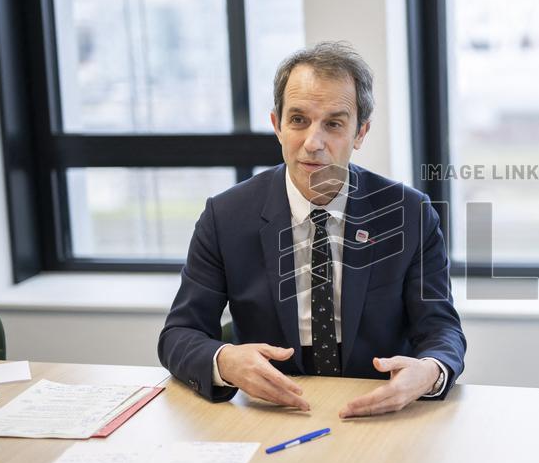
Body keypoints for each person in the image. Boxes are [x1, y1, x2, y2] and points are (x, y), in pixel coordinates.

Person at [158, 41, 466, 417]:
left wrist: (429, 372)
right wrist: (224, 361)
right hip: (269, 414)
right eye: (298, 120)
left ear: (360, 133)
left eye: (334, 124)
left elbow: (441, 331)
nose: (313, 143)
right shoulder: (226, 216)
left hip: (378, 413)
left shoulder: (410, 213)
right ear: (277, 125)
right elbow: (178, 335)